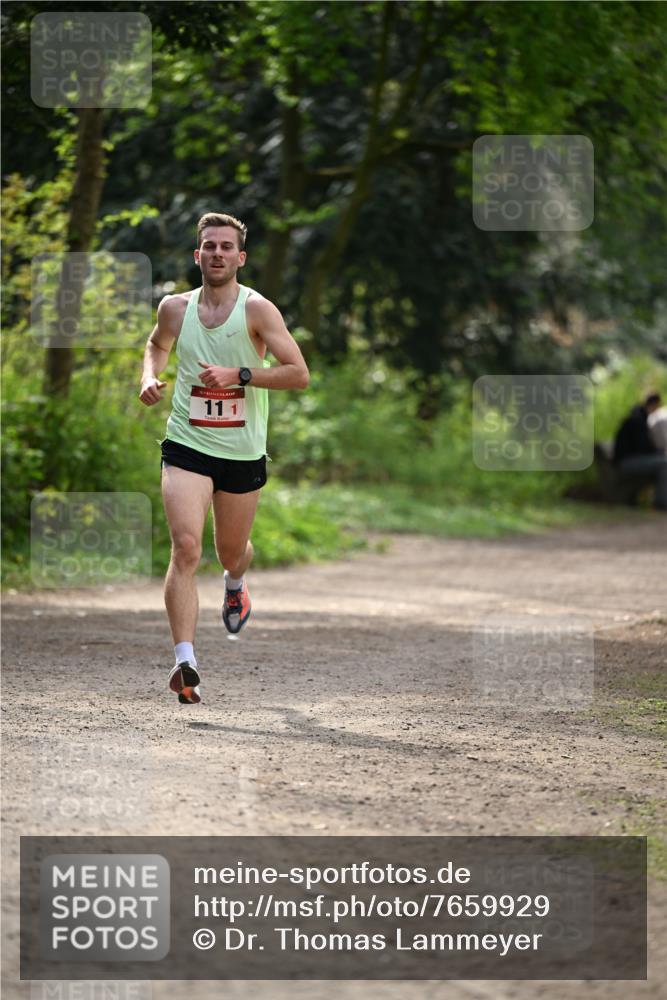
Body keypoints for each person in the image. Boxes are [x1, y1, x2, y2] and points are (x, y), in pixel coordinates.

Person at [139, 212, 309, 704]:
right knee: (186, 548)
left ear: (240, 257)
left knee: (229, 551)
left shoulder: (258, 311)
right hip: (187, 444)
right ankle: (185, 661)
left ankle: (236, 581)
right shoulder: (175, 308)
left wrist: (241, 375)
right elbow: (156, 344)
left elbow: (298, 373)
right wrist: (150, 377)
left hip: (241, 452)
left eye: (225, 247)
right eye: (208, 246)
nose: (216, 253)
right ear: (197, 255)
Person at [613, 392, 667, 511]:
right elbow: (643, 447)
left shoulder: (639, 417)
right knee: (664, 464)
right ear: (654, 404)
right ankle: (661, 503)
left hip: (630, 460)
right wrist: (658, 451)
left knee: (663, 461)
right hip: (626, 462)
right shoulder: (637, 420)